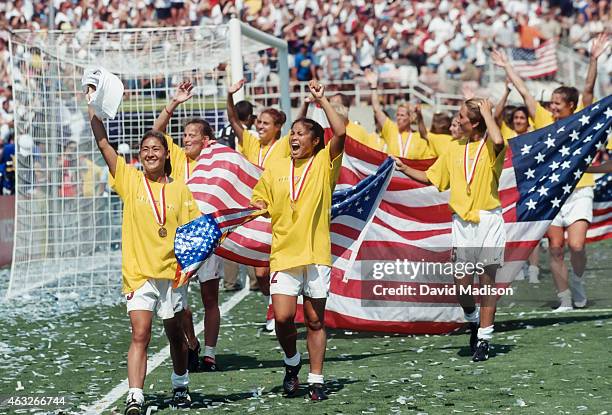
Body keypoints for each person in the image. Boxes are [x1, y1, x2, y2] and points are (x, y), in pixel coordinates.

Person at [88, 89, 199, 414]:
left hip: (173, 275)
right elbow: (104, 144)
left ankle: (181, 385)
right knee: (141, 333)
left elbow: (193, 236)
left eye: (156, 149)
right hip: (139, 274)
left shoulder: (181, 190)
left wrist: (190, 267)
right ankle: (135, 395)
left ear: (167, 154)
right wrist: (92, 108)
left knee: (175, 335)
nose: (150, 153)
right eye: (145, 149)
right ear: (140, 156)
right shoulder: (130, 180)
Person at [491, 33, 609, 311]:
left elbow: (589, 89)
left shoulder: (583, 121)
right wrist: (507, 66)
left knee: (577, 246)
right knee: (555, 247)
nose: (552, 107)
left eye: (557, 103)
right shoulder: (543, 118)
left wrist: (593, 59)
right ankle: (564, 298)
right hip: (551, 192)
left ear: (571, 105)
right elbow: (524, 92)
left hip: (580, 190)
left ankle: (578, 281)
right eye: (552, 102)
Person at [250, 80, 346, 399]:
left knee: (315, 320)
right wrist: (259, 207)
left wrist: (322, 101)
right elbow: (258, 200)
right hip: (283, 253)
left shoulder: (323, 163)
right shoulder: (276, 166)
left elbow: (341, 133)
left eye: (301, 133)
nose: (294, 137)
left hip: (316, 253)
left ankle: (316, 380)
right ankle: (292, 362)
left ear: (316, 141)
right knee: (283, 317)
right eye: (292, 133)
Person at [393, 98, 506, 362]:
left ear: (476, 122)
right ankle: (474, 321)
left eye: (463, 117)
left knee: (487, 284)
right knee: (462, 285)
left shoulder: (491, 144)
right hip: (462, 223)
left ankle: (485, 340)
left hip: (488, 219)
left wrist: (489, 113)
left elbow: (499, 141)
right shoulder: (454, 148)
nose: (458, 120)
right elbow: (432, 178)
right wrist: (404, 167)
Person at [152, 80, 222, 372]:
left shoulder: (217, 158)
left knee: (209, 298)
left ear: (206, 139)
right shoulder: (178, 158)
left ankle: (210, 353)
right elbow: (156, 133)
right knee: (178, 301)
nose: (186, 139)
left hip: (210, 237)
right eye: (184, 134)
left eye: (193, 134)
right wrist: (174, 103)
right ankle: (191, 342)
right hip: (182, 238)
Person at [226, 78, 291, 297]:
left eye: (265, 123)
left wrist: (309, 103)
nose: (260, 126)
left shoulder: (284, 145)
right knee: (262, 273)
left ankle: (279, 307)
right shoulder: (252, 142)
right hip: (255, 212)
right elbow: (233, 120)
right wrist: (229, 95)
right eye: (259, 122)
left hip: (279, 212)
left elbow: (301, 129)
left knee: (277, 267)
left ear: (277, 127)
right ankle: (272, 301)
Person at [493, 84, 540, 284]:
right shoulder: (506, 133)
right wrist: (505, 92)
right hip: (509, 189)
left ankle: (534, 268)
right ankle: (516, 265)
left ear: (527, 121)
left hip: (531, 187)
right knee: (510, 229)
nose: (519, 120)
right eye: (516, 118)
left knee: (531, 228)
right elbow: (496, 116)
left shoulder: (535, 134)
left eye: (522, 118)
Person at [365, 69, 434, 159]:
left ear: (410, 118)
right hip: (394, 172)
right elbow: (377, 110)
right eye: (397, 115)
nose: (399, 118)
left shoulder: (418, 136)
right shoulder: (391, 129)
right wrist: (374, 86)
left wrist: (419, 116)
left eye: (402, 115)